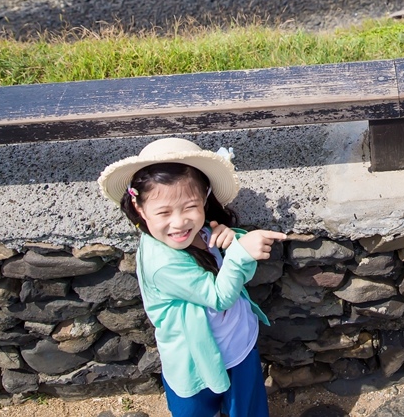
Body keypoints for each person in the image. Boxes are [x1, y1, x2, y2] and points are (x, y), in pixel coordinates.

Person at [98, 137, 286, 417]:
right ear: (140, 208)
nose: (179, 222)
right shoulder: (162, 263)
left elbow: (240, 274)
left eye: (189, 207)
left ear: (204, 199)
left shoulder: (205, 232)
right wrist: (240, 253)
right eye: (163, 212)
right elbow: (220, 297)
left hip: (238, 343)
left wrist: (234, 242)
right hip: (195, 365)